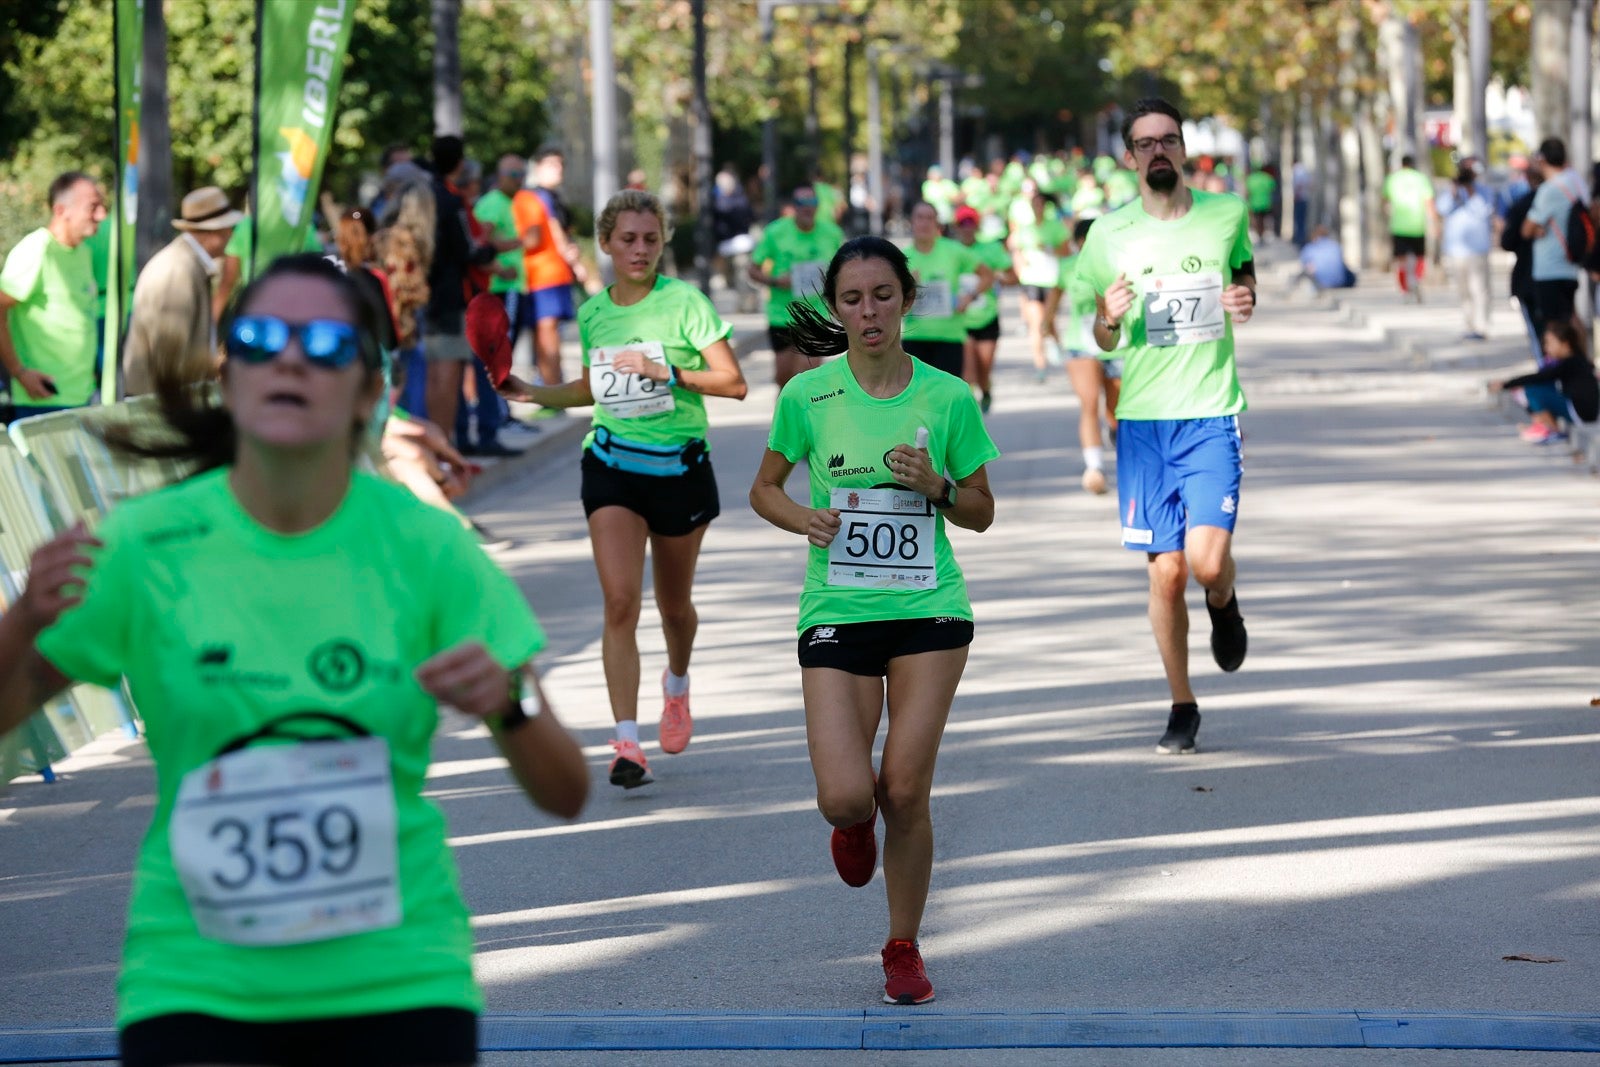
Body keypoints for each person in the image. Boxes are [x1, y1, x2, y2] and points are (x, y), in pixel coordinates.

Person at [0, 253, 588, 1067]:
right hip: (195, 985)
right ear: (228, 374)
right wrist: (22, 620)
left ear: (367, 392)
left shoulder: (426, 548)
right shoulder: (142, 546)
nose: (289, 358)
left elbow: (567, 791)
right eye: (260, 337)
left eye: (324, 344)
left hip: (399, 983)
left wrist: (507, 706)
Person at [748, 235, 998, 1007]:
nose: (868, 313)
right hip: (838, 609)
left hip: (930, 607)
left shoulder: (948, 396)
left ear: (908, 298)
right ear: (835, 307)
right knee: (848, 796)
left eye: (882, 296)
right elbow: (763, 488)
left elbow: (983, 512)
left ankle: (901, 945)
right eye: (852, 299)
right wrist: (804, 519)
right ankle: (852, 826)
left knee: (904, 787)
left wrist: (940, 484)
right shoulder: (807, 396)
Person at [493, 190, 748, 789]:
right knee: (619, 603)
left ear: (663, 243)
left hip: (681, 468)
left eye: (650, 240)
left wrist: (671, 372)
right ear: (604, 243)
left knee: (674, 607)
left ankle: (677, 686)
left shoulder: (686, 303)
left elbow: (734, 384)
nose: (639, 250)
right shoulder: (593, 312)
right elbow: (594, 389)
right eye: (628, 239)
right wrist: (534, 393)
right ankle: (627, 743)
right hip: (612, 464)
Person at [1075, 97, 1256, 756]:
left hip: (1211, 410)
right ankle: (1182, 702)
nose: (1157, 152)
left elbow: (1242, 270)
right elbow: (1097, 330)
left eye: (1167, 140)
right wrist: (1109, 315)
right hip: (1144, 421)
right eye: (1144, 143)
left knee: (1206, 565)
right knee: (1166, 573)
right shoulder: (1108, 234)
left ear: (1183, 149)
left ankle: (1225, 596)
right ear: (1130, 157)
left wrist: (1246, 295)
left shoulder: (1226, 213)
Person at [0, 171, 106, 420]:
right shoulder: (37, 249)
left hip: (81, 395)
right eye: (93, 207)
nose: (101, 215)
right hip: (43, 399)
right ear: (61, 210)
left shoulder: (82, 251)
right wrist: (19, 372)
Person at [122, 186, 243, 396]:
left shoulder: (187, 264)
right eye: (228, 228)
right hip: (160, 405)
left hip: (166, 401)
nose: (231, 235)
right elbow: (170, 356)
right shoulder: (178, 270)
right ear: (214, 232)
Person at [423, 134, 495, 442]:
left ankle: (437, 439)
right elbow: (467, 250)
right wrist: (490, 251)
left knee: (435, 371)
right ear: (460, 163)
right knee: (448, 373)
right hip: (452, 294)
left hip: (428, 292)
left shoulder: (425, 195)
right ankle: (444, 442)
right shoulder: (452, 202)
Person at [750, 185, 846, 388]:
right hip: (782, 314)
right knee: (784, 378)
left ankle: (807, 417)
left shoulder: (832, 233)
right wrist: (775, 281)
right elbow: (752, 269)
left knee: (808, 375)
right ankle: (785, 415)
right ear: (794, 207)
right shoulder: (775, 232)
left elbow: (845, 269)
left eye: (812, 203)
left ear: (818, 206)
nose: (807, 208)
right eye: (802, 203)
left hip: (815, 313)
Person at [512, 144, 584, 392]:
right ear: (538, 167)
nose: (559, 170)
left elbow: (562, 231)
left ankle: (551, 388)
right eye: (553, 164)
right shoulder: (536, 196)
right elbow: (553, 229)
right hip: (542, 275)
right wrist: (575, 262)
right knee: (546, 335)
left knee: (548, 334)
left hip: (550, 274)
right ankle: (551, 388)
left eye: (561, 164)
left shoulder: (552, 197)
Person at [1061, 217, 1121, 494]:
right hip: (1081, 344)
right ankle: (1094, 467)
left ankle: (1115, 435)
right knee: (1088, 404)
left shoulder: (1119, 265)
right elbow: (1052, 301)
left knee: (1116, 408)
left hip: (1118, 344)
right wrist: (1046, 330)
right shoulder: (1067, 267)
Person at [901, 201, 993, 379]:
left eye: (930, 218)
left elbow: (987, 275)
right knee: (919, 401)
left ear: (937, 223)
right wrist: (908, 288)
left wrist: (969, 297)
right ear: (912, 222)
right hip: (915, 337)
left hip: (950, 337)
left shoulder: (953, 251)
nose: (924, 223)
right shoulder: (902, 257)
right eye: (920, 217)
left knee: (947, 400)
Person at [1521, 137, 1590, 347]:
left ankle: (1572, 368)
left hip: (1550, 266)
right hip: (1569, 264)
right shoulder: (1575, 181)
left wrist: (1538, 228)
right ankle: (1582, 364)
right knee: (1570, 317)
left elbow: (1526, 229)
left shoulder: (1549, 190)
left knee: (1556, 324)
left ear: (1542, 160)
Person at [1490, 319, 1596, 444]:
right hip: (1584, 411)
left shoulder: (1570, 363)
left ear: (1565, 344)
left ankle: (1551, 429)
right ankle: (1540, 423)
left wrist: (1506, 384)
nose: (1546, 348)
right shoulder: (1578, 360)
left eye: (1550, 343)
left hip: (1580, 413)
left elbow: (1539, 377)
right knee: (1543, 386)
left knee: (1533, 390)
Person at [1006, 179, 1070, 382]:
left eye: (1040, 204)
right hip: (1031, 279)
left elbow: (1066, 252)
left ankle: (1056, 344)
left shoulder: (1055, 227)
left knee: (1047, 322)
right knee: (1036, 324)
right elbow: (1014, 247)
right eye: (1034, 205)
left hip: (1052, 280)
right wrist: (1019, 266)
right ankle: (1040, 366)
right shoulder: (1025, 228)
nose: (1037, 208)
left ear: (1045, 206)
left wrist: (1049, 248)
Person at [951, 205, 1012, 414]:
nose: (966, 228)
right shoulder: (950, 251)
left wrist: (1000, 278)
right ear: (955, 227)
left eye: (970, 223)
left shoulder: (991, 250)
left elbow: (1013, 276)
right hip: (960, 320)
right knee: (968, 373)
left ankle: (986, 390)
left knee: (983, 370)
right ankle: (970, 412)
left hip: (987, 317)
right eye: (962, 224)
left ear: (977, 226)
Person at [1435, 162, 1496, 341]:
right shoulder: (1451, 191)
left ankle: (1482, 326)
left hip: (1477, 249)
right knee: (1464, 291)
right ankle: (1469, 324)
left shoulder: (1484, 191)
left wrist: (1470, 192)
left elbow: (1484, 211)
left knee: (1480, 290)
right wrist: (1454, 192)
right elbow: (1441, 209)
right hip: (1456, 250)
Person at [1500, 161, 1547, 365]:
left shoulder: (1525, 204)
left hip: (1531, 277)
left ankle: (1548, 376)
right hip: (1556, 276)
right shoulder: (1564, 199)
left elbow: (1507, 241)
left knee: (1540, 334)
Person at [1383, 154, 1436, 301]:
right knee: (1419, 257)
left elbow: (1385, 200)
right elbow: (1429, 202)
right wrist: (1435, 223)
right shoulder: (1421, 179)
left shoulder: (1392, 179)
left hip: (1398, 226)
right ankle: (1416, 280)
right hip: (1418, 224)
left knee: (1401, 261)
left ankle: (1406, 289)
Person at [711, 164, 758, 314]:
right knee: (732, 279)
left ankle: (748, 305)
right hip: (727, 246)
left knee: (742, 278)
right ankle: (744, 304)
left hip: (740, 245)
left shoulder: (733, 201)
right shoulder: (725, 200)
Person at [1296, 226, 1357, 292]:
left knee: (1308, 270)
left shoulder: (1309, 248)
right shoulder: (1335, 245)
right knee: (1350, 274)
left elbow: (1304, 266)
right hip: (1340, 282)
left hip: (1321, 283)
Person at [1244, 166, 1277, 243]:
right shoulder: (1267, 177)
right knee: (1264, 220)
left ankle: (1259, 235)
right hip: (1265, 202)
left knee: (1257, 220)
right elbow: (1272, 188)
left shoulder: (1251, 179)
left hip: (1254, 203)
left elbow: (1248, 192)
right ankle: (1263, 234)